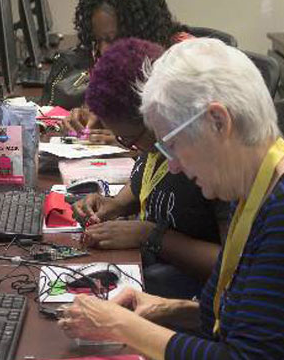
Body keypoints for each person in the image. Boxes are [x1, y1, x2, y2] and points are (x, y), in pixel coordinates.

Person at [59, 38, 284, 360]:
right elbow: (243, 319)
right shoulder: (256, 188)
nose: (174, 164)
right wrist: (166, 308)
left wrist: (123, 326)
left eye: (174, 144)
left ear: (218, 122)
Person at [74, 37, 229, 299]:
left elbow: (234, 269)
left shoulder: (208, 161)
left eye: (129, 139)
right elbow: (144, 186)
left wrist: (153, 236)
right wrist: (114, 205)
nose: (130, 147)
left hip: (193, 296)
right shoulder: (155, 145)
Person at [62, 0, 187, 135]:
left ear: (140, 29)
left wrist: (127, 140)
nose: (103, 50)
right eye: (98, 40)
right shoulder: (111, 57)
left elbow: (183, 136)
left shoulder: (182, 62)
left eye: (112, 39)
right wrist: (88, 113)